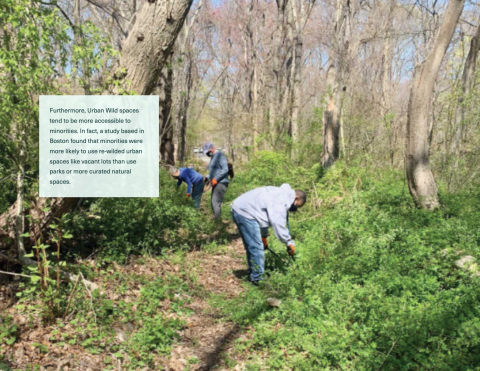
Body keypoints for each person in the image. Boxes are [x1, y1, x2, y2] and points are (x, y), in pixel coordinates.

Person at [231, 184, 307, 284]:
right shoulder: (281, 200)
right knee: (256, 247)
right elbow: (277, 224)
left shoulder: (280, 194)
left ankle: (253, 271)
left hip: (240, 208)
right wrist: (288, 242)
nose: (295, 208)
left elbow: (263, 216)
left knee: (253, 245)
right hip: (245, 211)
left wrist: (263, 237)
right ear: (296, 197)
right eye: (297, 205)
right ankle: (258, 279)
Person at [203, 142, 229, 219]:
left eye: (208, 152)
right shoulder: (213, 157)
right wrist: (207, 177)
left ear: (212, 148)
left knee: (216, 202)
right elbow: (214, 171)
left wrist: (216, 178)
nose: (207, 154)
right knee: (214, 202)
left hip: (221, 182)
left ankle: (217, 222)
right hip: (215, 182)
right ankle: (217, 219)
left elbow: (225, 169)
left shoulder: (220, 156)